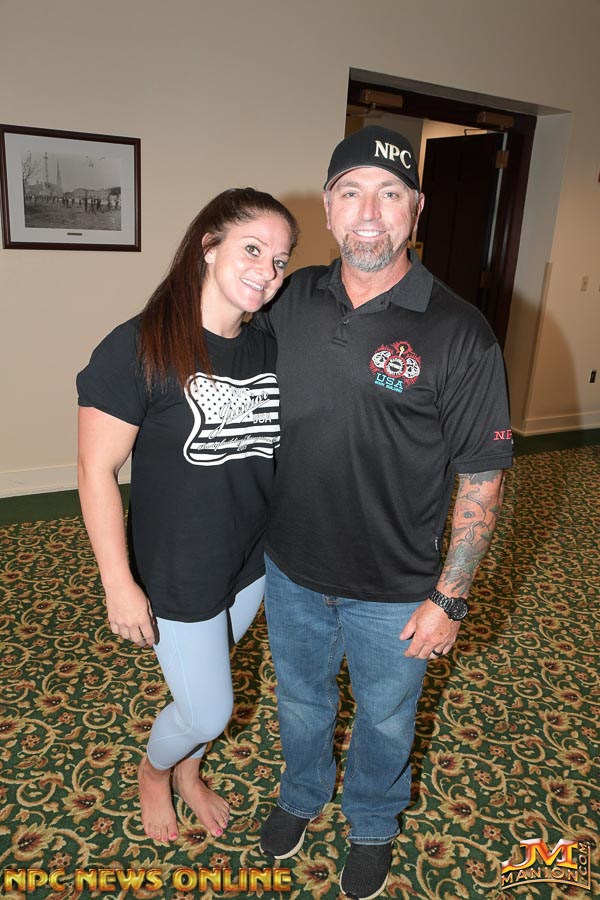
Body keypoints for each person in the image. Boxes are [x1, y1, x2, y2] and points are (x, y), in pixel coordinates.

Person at [255, 126, 512, 899]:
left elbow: (481, 477)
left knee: (388, 719)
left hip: (396, 592)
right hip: (291, 570)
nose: (370, 213)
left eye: (390, 193)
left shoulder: (460, 332)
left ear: (416, 209)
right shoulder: (287, 298)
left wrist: (450, 597)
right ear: (327, 208)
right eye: (352, 193)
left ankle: (372, 822)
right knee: (301, 701)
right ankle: (303, 792)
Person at [77, 188, 298, 844]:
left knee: (211, 679)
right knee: (208, 710)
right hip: (179, 569)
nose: (267, 270)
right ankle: (155, 772)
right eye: (252, 248)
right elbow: (94, 470)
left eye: (280, 260)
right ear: (208, 246)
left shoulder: (268, 344)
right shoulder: (138, 346)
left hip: (251, 557)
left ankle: (189, 772)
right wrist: (118, 583)